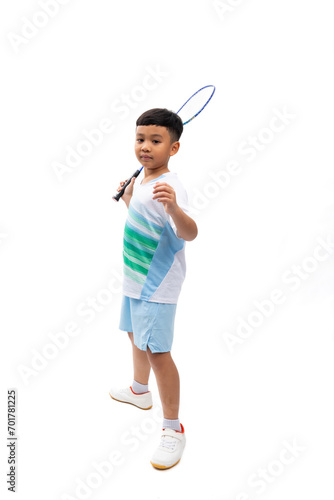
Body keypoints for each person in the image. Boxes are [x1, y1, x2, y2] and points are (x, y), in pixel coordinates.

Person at [109, 107, 198, 470]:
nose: (145, 147)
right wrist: (130, 199)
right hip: (135, 280)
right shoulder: (143, 182)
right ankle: (139, 391)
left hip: (157, 286)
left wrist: (174, 208)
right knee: (134, 334)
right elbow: (146, 220)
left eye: (155, 141)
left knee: (158, 352)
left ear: (173, 148)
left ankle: (173, 429)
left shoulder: (170, 186)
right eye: (140, 139)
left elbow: (189, 233)